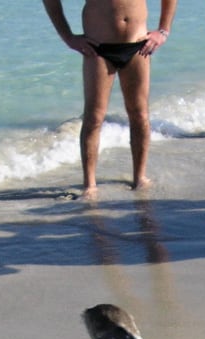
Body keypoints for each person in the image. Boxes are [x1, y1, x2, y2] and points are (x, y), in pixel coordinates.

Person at [42, 0, 177, 197]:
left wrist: (163, 30)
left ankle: (139, 178)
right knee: (94, 117)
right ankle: (89, 185)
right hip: (97, 47)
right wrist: (68, 37)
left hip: (138, 44)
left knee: (139, 114)